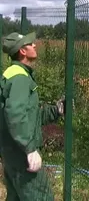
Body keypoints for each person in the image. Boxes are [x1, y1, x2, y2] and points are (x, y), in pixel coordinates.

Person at [0, 32, 66, 201]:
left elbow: (29, 115)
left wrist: (55, 111)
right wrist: (29, 149)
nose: (35, 45)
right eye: (31, 44)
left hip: (12, 152)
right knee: (41, 196)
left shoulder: (13, 74)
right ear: (22, 51)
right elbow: (15, 114)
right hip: (22, 156)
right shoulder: (20, 78)